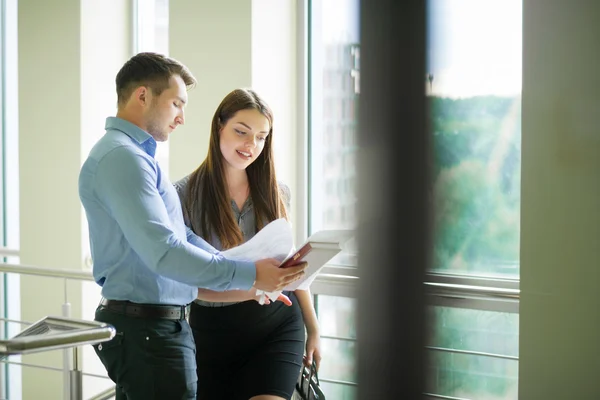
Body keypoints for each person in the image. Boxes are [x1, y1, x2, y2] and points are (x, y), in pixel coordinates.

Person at [78, 53, 307, 400]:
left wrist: (248, 270)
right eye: (176, 104)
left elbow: (182, 237)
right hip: (148, 330)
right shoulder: (123, 158)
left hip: (160, 328)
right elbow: (166, 252)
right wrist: (250, 275)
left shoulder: (138, 158)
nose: (182, 118)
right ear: (143, 96)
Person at [174, 88, 322, 400]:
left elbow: (290, 270)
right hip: (212, 332)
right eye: (241, 132)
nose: (250, 145)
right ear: (219, 127)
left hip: (277, 327)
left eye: (260, 136)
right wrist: (254, 287)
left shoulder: (277, 192)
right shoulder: (183, 196)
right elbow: (186, 282)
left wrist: (314, 327)